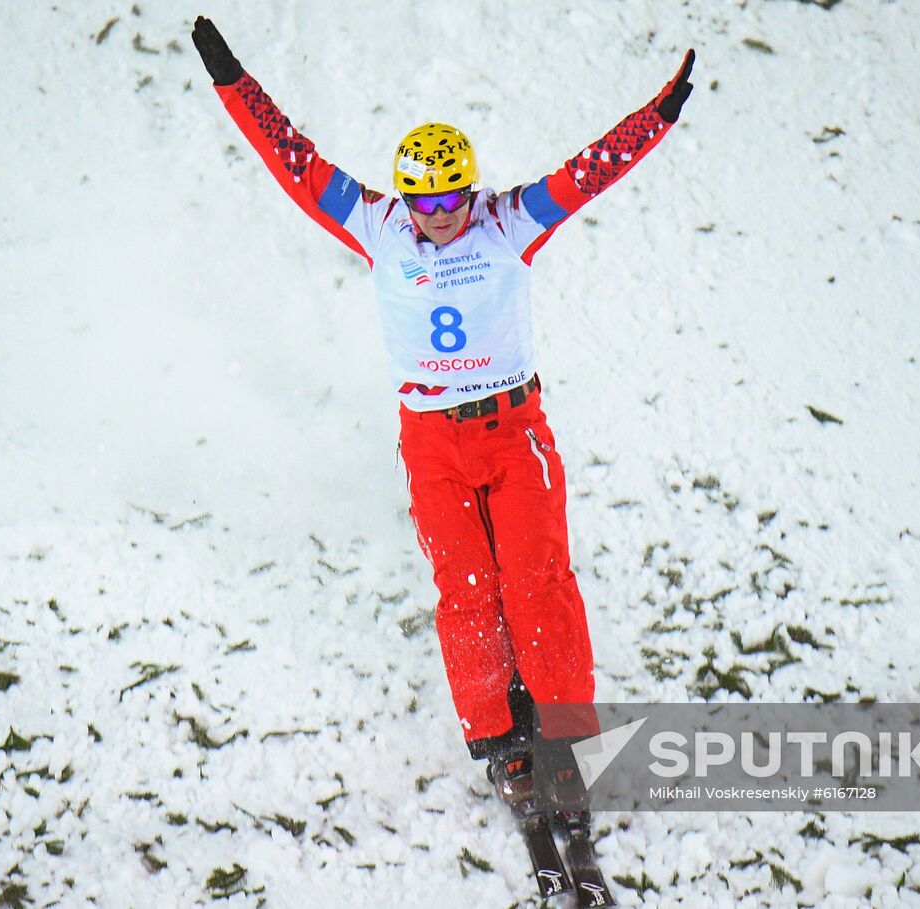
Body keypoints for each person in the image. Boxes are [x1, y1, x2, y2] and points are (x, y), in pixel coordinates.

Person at [191, 17, 693, 804]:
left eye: (452, 195)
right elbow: (292, 160)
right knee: (466, 587)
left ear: (470, 186)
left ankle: (565, 734)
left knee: (537, 582)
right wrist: (233, 81)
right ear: (407, 197)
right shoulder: (378, 224)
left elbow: (589, 172)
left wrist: (655, 117)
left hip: (512, 429)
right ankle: (500, 738)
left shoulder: (508, 220)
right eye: (425, 201)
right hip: (432, 441)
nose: (440, 214)